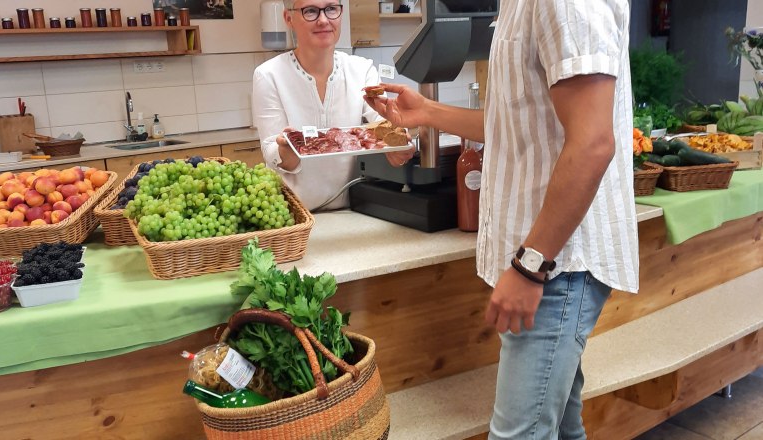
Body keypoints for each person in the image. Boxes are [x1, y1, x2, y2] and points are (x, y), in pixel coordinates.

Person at [364, 0, 638, 438]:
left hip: (558, 266)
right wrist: (428, 114)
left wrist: (530, 266)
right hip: (548, 262)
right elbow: (519, 123)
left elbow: (592, 144)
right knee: (562, 428)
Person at [252, 0, 412, 211]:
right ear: (288, 18)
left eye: (331, 9)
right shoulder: (269, 75)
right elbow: (272, 151)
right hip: (294, 217)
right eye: (310, 11)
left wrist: (399, 144)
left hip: (354, 212)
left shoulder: (362, 70)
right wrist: (285, 151)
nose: (323, 20)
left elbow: (384, 124)